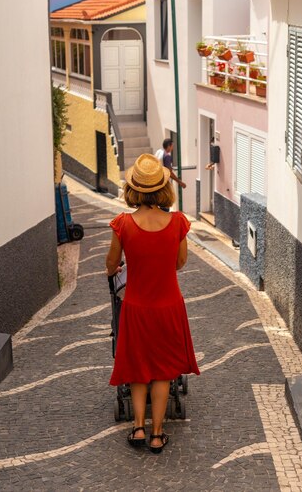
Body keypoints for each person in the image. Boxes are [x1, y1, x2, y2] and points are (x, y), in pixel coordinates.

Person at [106, 154, 200, 454]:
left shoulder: (122, 224)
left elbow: (110, 265)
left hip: (136, 306)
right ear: (163, 189)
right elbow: (180, 263)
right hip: (168, 305)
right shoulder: (177, 222)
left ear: (133, 189)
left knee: (138, 369)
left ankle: (137, 428)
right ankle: (158, 434)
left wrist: (121, 267)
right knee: (162, 371)